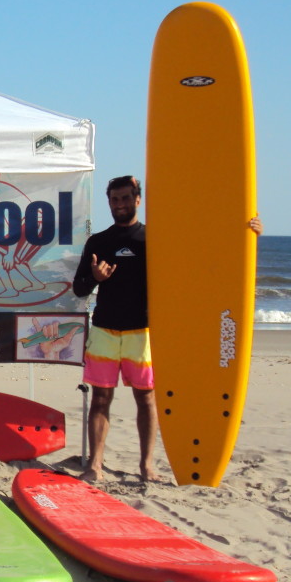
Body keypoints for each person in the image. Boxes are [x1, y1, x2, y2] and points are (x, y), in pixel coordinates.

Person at [72, 175, 262, 483]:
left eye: (125, 198)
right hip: (105, 330)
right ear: (108, 202)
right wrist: (96, 278)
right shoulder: (99, 242)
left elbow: (202, 257)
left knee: (146, 398)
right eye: (114, 199)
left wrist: (246, 233)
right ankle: (95, 464)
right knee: (100, 399)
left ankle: (147, 465)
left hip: (143, 332)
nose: (119, 204)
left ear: (138, 200)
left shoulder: (155, 239)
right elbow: (79, 289)